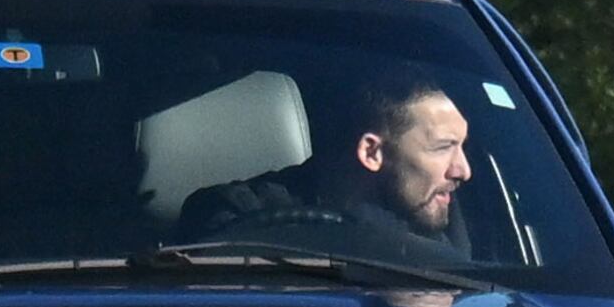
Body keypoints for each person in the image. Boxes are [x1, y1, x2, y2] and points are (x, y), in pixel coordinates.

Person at [183, 73, 475, 262]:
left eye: (462, 147)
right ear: (372, 152)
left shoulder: (449, 232)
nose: (463, 170)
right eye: (443, 147)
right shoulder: (238, 215)